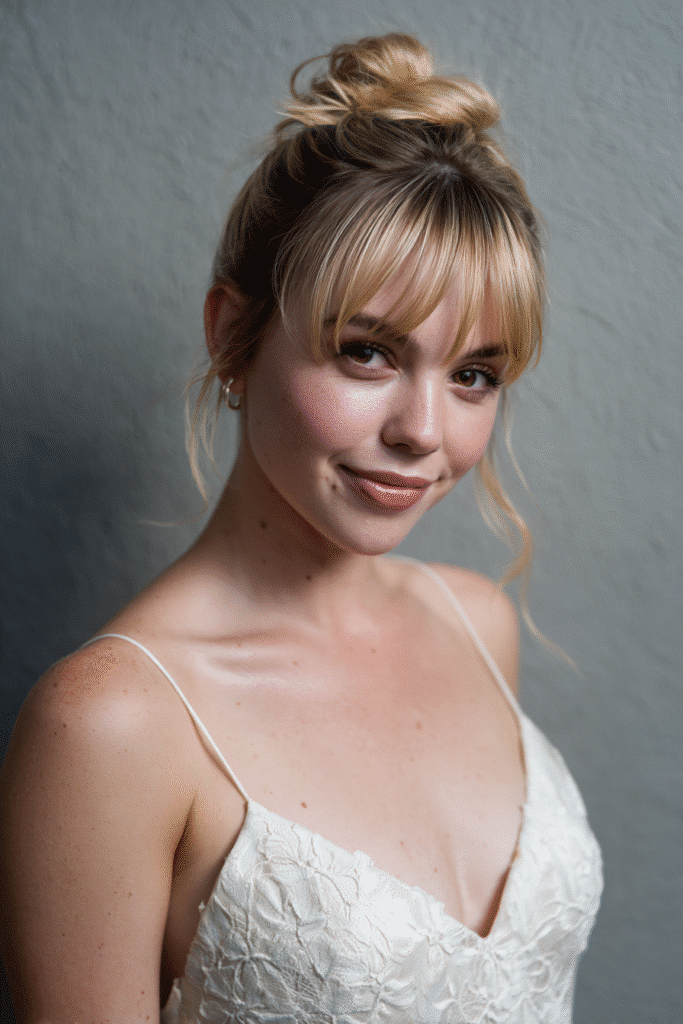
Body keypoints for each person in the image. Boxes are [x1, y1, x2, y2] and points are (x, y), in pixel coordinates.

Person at [0, 33, 602, 1023]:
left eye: (473, 374)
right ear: (231, 333)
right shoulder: (108, 726)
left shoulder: (476, 622)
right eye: (366, 352)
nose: (421, 432)